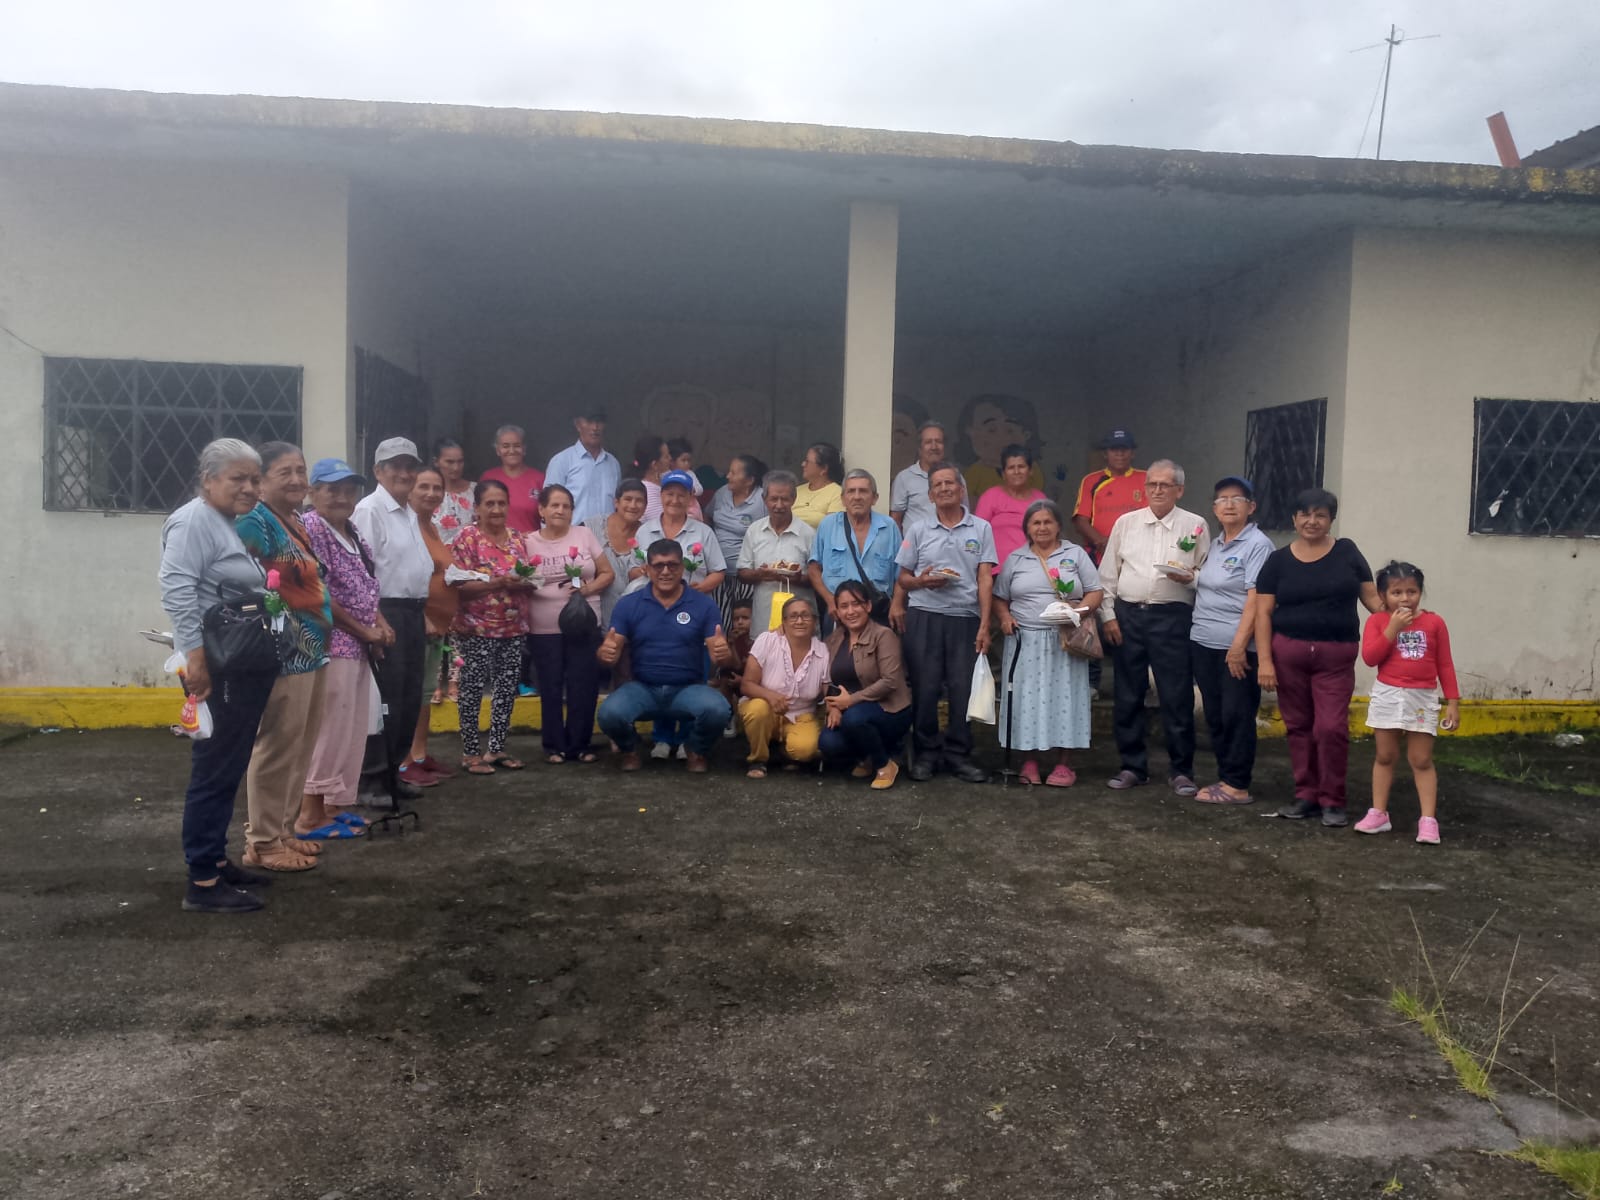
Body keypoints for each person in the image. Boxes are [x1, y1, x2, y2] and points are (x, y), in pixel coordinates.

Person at [159, 439, 276, 913]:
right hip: (216, 663)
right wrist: (196, 661)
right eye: (237, 479)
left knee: (230, 764)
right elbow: (177, 589)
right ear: (208, 480)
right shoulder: (193, 521)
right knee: (214, 769)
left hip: (239, 661)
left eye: (254, 479)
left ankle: (218, 860)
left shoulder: (226, 521)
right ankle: (203, 882)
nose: (249, 488)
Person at [1254, 488, 1383, 827]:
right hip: (1288, 654)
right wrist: (1265, 661)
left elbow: (1372, 599)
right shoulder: (1278, 561)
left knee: (1330, 728)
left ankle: (1333, 800)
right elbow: (1263, 613)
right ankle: (1306, 795)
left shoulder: (1347, 552)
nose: (1312, 521)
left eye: (1320, 515)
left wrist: (1399, 620)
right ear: (1294, 519)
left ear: (1331, 520)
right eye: (1305, 514)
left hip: (1335, 656)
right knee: (1298, 726)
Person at [234, 442, 332, 872]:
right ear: (262, 480)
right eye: (284, 472)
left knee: (300, 744)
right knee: (277, 744)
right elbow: (245, 581)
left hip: (313, 647)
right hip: (283, 649)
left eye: (300, 470)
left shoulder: (296, 520)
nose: (296, 480)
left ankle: (283, 829)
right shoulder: (254, 520)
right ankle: (262, 840)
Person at [1098, 458, 1210, 797]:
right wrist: (1109, 616)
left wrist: (1190, 578)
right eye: (1152, 484)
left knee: (1176, 695)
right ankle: (1132, 766)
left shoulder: (1195, 525)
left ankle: (1181, 770)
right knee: (1128, 694)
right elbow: (1108, 574)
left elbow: (1208, 573)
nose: (1158, 490)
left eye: (1165, 485)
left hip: (1172, 617)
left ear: (1180, 490)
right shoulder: (1127, 523)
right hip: (1129, 615)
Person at [300, 458, 391, 839]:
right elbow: (318, 593)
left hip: (358, 646)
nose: (342, 497)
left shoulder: (352, 532)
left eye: (349, 490)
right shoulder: (312, 528)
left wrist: (379, 624)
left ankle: (333, 805)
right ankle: (308, 816)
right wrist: (363, 630)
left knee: (350, 729)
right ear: (313, 492)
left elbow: (367, 585)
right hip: (333, 644)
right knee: (329, 729)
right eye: (332, 489)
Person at [890, 462, 997, 783]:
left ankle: (958, 754)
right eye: (938, 485)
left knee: (963, 689)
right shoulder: (917, 530)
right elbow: (903, 578)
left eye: (950, 483)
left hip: (965, 618)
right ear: (930, 495)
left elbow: (985, 578)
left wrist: (984, 624)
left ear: (961, 490)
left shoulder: (981, 528)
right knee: (925, 688)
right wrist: (921, 582)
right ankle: (927, 753)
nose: (945, 488)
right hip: (924, 616)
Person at [596, 539, 737, 772]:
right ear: (647, 569)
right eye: (658, 565)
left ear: (682, 567)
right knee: (609, 713)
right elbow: (610, 650)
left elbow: (720, 657)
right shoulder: (628, 604)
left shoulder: (703, 605)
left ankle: (696, 748)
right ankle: (630, 749)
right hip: (643, 688)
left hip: (688, 689)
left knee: (719, 710)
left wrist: (724, 653)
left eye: (672, 565)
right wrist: (605, 653)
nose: (665, 571)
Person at [993, 500, 1103, 787]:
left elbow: (1095, 591)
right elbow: (1000, 597)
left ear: (1058, 526)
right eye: (1036, 523)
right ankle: (1028, 761)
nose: (1042, 527)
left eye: (1047, 522)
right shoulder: (1016, 559)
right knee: (1026, 700)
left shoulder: (1075, 554)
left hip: (1066, 640)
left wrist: (1078, 613)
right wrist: (1004, 618)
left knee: (1066, 698)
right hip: (1025, 641)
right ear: (1027, 528)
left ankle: (1064, 764)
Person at [351, 437, 435, 803]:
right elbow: (360, 572)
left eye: (409, 466)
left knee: (407, 698)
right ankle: (371, 780)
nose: (404, 473)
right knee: (384, 700)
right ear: (378, 471)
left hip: (412, 613)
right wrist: (375, 619)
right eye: (395, 466)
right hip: (385, 611)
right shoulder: (370, 511)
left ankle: (392, 773)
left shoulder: (409, 513)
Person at [1356, 561, 1460, 844]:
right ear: (1383, 595)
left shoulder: (1435, 623)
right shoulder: (1377, 621)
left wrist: (1452, 702)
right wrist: (1392, 628)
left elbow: (1445, 664)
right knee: (1385, 755)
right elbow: (1370, 658)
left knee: (1421, 759)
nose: (1405, 598)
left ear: (1420, 593)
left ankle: (1428, 820)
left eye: (1411, 592)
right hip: (1388, 694)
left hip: (1422, 697)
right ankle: (1379, 813)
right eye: (1397, 592)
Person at [1189, 476, 1275, 805]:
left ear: (1251, 507)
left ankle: (1237, 784)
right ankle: (1225, 778)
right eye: (1222, 499)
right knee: (1215, 714)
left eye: (1236, 499)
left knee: (1236, 715)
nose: (1228, 505)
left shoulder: (1258, 545)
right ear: (1214, 509)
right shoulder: (1215, 544)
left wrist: (1239, 647)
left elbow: (1256, 601)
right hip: (1204, 642)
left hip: (1236, 648)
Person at [523, 483, 615, 763]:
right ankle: (554, 746)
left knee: (583, 685)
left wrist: (587, 589)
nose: (560, 510)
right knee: (550, 686)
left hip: (583, 623)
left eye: (566, 506)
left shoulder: (584, 534)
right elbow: (520, 579)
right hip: (543, 626)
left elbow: (606, 573)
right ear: (541, 509)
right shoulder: (527, 542)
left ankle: (580, 745)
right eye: (554, 505)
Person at [451, 479, 536, 774]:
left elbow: (529, 577)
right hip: (476, 628)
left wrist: (526, 582)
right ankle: (470, 753)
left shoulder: (517, 539)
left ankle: (496, 749)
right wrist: (498, 582)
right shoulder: (467, 538)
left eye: (501, 503)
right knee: (472, 689)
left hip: (513, 627)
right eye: (489, 503)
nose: (496, 509)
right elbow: (458, 586)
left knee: (505, 689)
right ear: (477, 507)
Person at [818, 580, 913, 789]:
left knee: (854, 719)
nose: (850, 611)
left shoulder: (884, 635)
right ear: (837, 611)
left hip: (889, 709)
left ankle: (884, 764)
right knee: (828, 743)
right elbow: (827, 679)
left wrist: (850, 701)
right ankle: (867, 755)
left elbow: (889, 681)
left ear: (868, 606)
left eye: (856, 604)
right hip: (851, 712)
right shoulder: (833, 640)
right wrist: (833, 706)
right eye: (844, 606)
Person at [407, 465, 460, 782]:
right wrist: (422, 616)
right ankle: (404, 763)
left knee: (425, 694)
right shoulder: (406, 527)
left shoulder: (431, 526)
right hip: (417, 624)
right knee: (410, 695)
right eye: (423, 486)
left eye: (436, 488)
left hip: (437, 626)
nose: (431, 493)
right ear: (410, 490)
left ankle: (419, 754)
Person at [739, 596, 829, 778]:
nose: (799, 621)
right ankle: (758, 759)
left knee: (805, 750)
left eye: (805, 616)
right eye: (793, 616)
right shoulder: (767, 640)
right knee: (757, 709)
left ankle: (782, 751)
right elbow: (746, 685)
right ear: (784, 622)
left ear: (815, 622)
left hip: (801, 715)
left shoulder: (823, 652)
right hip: (766, 707)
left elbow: (828, 692)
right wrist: (770, 696)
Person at [808, 469, 899, 626]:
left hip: (877, 613)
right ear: (843, 499)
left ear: (875, 498)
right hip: (838, 613)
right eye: (851, 491)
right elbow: (813, 569)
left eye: (863, 491)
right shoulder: (828, 525)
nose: (857, 497)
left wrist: (897, 604)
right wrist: (830, 600)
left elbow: (901, 572)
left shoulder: (889, 526)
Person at [737, 469, 816, 633]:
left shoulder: (808, 534)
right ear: (764, 499)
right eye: (774, 499)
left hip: (800, 624)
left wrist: (798, 578)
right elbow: (742, 573)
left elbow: (818, 578)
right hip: (763, 620)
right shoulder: (754, 531)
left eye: (785, 499)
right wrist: (761, 574)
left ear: (794, 499)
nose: (779, 505)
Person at [707, 453, 767, 625]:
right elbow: (707, 516)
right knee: (721, 622)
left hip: (746, 575)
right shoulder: (722, 493)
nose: (728, 476)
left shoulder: (762, 499)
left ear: (749, 480)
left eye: (733, 473)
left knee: (746, 623)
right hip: (718, 574)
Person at [1072, 429, 1147, 564]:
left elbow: (1153, 517)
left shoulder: (1146, 478)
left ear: (1132, 453)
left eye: (1124, 449)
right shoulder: (1090, 481)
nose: (1120, 454)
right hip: (1099, 554)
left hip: (1138, 553)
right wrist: (1102, 542)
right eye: (1114, 449)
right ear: (1105, 454)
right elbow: (1081, 520)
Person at [585, 478, 647, 632]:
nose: (633, 505)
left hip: (636, 622)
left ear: (646, 506)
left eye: (639, 501)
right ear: (616, 502)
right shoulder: (591, 527)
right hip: (592, 620)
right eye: (628, 499)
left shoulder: (649, 534)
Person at [974, 444, 1047, 572]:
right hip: (996, 570)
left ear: (1030, 471)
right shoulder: (991, 496)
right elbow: (977, 534)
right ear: (1003, 474)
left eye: (1021, 467)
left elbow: (1049, 534)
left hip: (1033, 570)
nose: (1016, 472)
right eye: (1011, 468)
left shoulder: (1040, 499)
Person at [543, 407, 620, 526]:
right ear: (578, 425)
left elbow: (618, 505)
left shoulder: (613, 463)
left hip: (607, 536)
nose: (595, 427)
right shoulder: (562, 461)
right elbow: (548, 505)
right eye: (589, 421)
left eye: (599, 422)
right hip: (572, 535)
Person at [957, 394, 1044, 498]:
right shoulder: (974, 474)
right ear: (970, 432)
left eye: (1010, 431)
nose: (1001, 438)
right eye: (991, 430)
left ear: (1026, 435)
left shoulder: (1031, 468)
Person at [480, 424, 545, 534]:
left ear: (524, 449)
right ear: (498, 450)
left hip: (530, 542)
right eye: (505, 446)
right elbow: (480, 516)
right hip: (495, 542)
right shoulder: (488, 478)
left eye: (517, 445)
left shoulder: (539, 479)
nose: (511, 450)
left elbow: (548, 518)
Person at [890, 420, 946, 531]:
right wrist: (904, 542)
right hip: (915, 541)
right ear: (920, 448)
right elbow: (896, 520)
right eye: (928, 442)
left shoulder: (956, 478)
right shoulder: (904, 478)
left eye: (938, 441)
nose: (934, 447)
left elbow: (963, 513)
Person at [431, 437, 475, 545]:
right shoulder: (429, 494)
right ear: (436, 462)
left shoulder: (475, 491)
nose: (456, 467)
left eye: (460, 462)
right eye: (449, 462)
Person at [792, 442, 845, 529]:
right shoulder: (796, 491)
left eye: (807, 461)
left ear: (824, 469)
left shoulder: (837, 494)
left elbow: (832, 528)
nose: (803, 464)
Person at [631, 433, 673, 522]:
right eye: (666, 456)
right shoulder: (647, 492)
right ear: (655, 465)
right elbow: (662, 522)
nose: (670, 458)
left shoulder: (664, 478)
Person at [667, 437, 707, 521]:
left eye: (689, 460)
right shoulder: (666, 474)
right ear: (672, 461)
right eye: (683, 460)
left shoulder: (690, 474)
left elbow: (700, 489)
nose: (687, 463)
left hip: (691, 508)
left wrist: (694, 490)